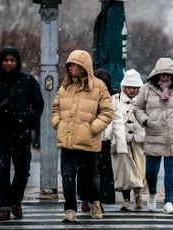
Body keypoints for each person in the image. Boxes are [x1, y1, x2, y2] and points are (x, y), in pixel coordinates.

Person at [0, 47, 44, 221]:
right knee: (1, 172)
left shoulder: (28, 81)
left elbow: (39, 104)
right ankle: (4, 208)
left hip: (22, 135)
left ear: (17, 62)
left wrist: (30, 123)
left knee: (23, 172)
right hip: (0, 136)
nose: (9, 63)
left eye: (12, 60)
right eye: (6, 60)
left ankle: (15, 201)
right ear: (1, 62)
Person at [52, 50, 113, 222]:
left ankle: (95, 202)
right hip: (68, 140)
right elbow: (55, 108)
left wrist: (92, 129)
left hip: (89, 141)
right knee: (67, 176)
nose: (70, 68)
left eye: (73, 65)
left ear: (83, 66)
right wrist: (58, 123)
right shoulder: (65, 85)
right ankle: (70, 210)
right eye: (69, 64)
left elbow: (107, 112)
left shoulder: (99, 87)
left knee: (90, 178)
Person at [134, 58, 173, 214]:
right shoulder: (146, 89)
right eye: (162, 74)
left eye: (168, 74)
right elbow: (137, 108)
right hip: (154, 134)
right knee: (151, 172)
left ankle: (169, 201)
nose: (165, 77)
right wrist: (145, 120)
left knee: (171, 171)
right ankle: (153, 194)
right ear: (157, 74)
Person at [77, 68, 128, 213]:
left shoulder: (113, 98)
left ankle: (99, 201)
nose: (102, 86)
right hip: (87, 140)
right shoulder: (86, 94)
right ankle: (86, 199)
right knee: (86, 172)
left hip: (104, 141)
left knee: (103, 174)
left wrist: (121, 144)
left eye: (105, 83)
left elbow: (117, 120)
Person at [114, 69, 146, 211]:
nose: (132, 90)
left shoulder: (145, 101)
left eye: (134, 88)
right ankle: (126, 200)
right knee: (125, 172)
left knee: (140, 170)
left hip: (140, 141)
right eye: (129, 87)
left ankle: (138, 196)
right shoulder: (116, 99)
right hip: (123, 141)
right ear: (124, 87)